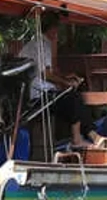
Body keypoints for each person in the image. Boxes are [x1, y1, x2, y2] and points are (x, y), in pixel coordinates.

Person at [18, 10, 94, 149]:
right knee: (74, 98)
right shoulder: (42, 45)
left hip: (30, 94)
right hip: (39, 96)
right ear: (53, 29)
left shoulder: (30, 45)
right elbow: (45, 75)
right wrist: (67, 83)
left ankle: (90, 135)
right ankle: (80, 138)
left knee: (71, 101)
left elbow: (48, 71)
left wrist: (65, 78)